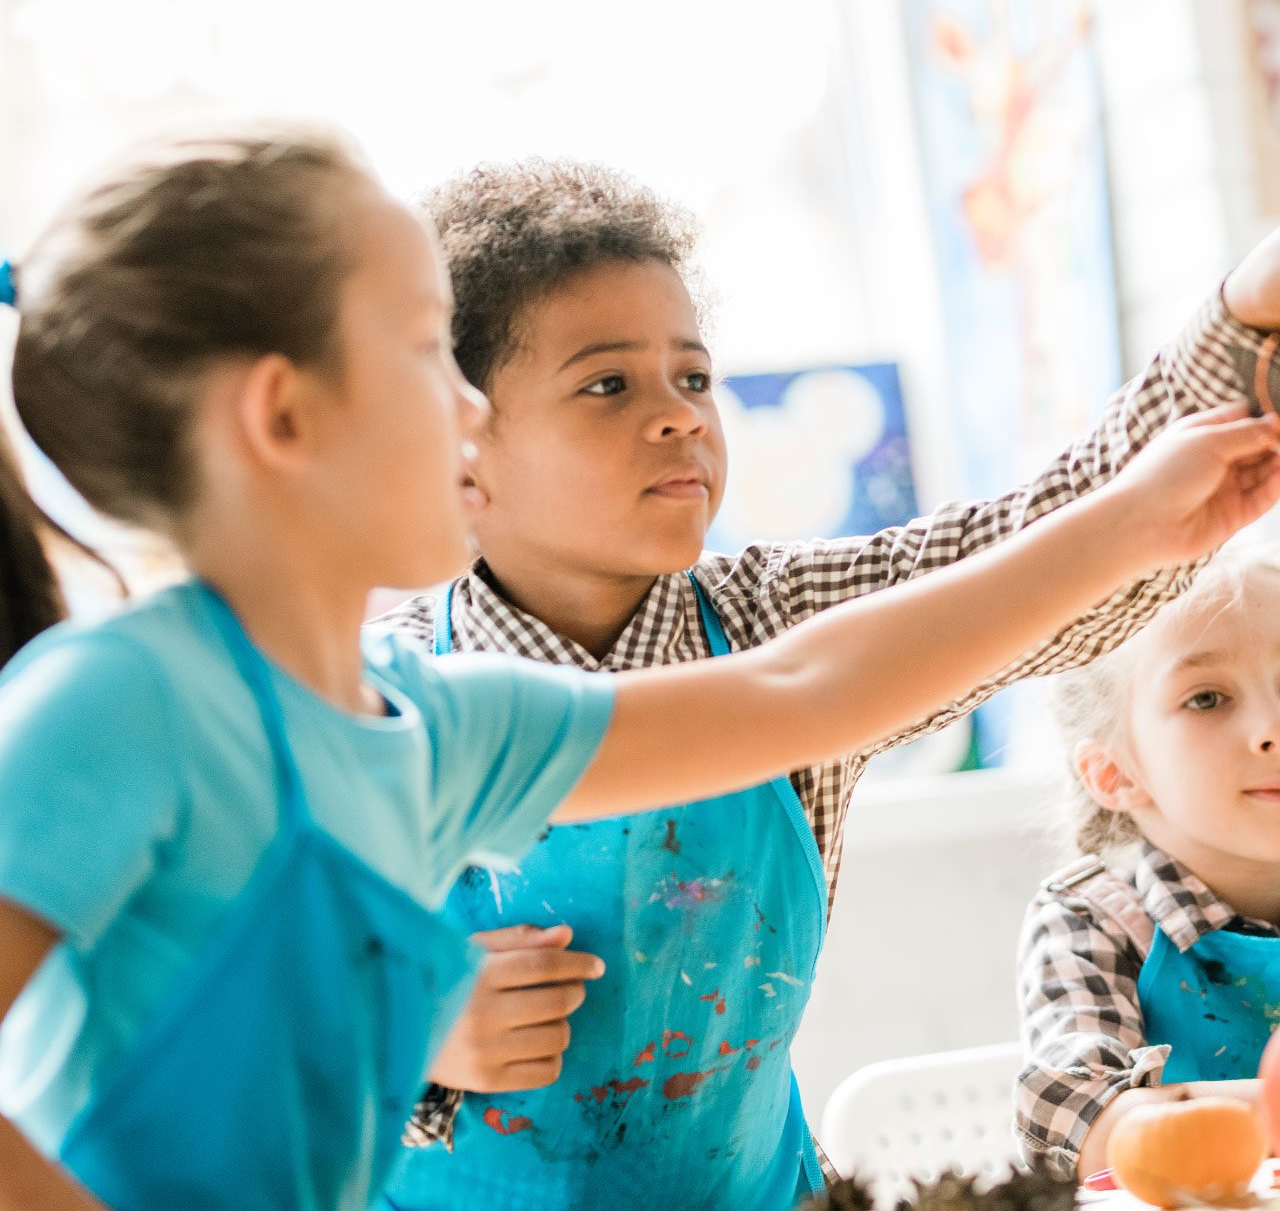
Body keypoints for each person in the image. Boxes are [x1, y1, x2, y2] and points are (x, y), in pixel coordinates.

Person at [0, 128, 1274, 1211]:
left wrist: (1133, 518)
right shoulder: (112, 706)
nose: (460, 408)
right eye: (417, 350)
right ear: (282, 416)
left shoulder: (439, 729)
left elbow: (805, 688)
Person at [376, 161, 1280, 1210]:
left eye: (693, 376)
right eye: (606, 383)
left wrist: (1239, 324)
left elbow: (1032, 548)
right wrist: (407, 1034)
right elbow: (232, 1027)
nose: (677, 417)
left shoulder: (780, 624)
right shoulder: (375, 701)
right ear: (458, 448)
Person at [1018, 540, 1280, 1177]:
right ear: (1114, 773)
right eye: (1207, 699)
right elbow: (1076, 1124)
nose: (1272, 725)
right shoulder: (1095, 919)